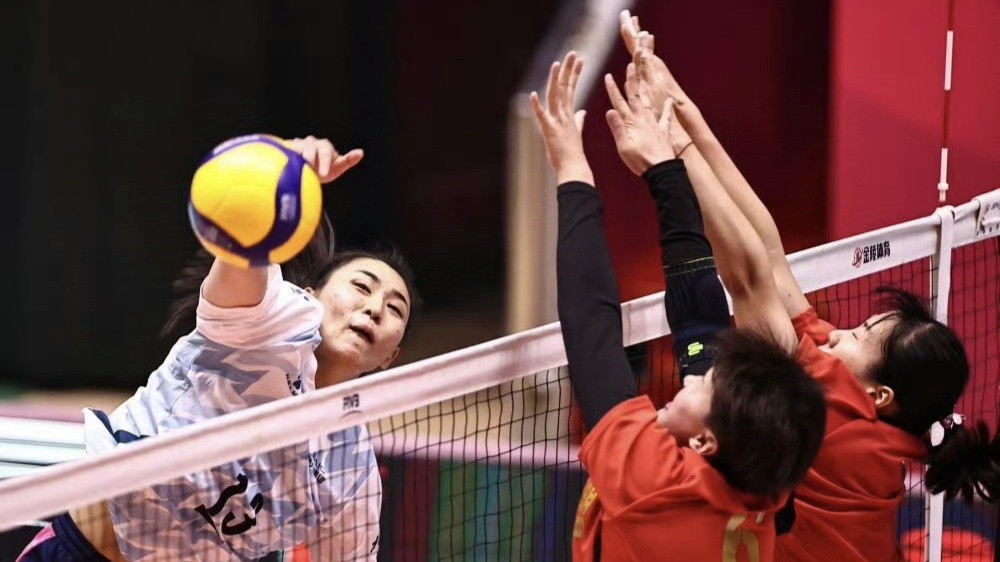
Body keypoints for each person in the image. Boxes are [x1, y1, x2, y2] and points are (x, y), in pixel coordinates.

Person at [617, 12, 1000, 560]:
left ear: (879, 396)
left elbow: (749, 278)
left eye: (859, 336)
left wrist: (668, 162)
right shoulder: (860, 402)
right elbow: (771, 255)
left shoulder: (832, 417)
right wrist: (673, 101)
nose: (839, 331)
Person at [17, 136, 421, 562]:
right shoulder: (271, 322)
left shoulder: (351, 467)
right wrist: (278, 173)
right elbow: (241, 255)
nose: (374, 308)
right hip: (83, 552)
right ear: (309, 295)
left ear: (390, 357)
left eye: (394, 309)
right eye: (361, 287)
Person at [531, 49, 826, 561]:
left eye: (704, 385)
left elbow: (591, 327)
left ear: (707, 443)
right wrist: (665, 172)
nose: (692, 378)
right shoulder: (766, 485)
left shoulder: (655, 482)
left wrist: (571, 167)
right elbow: (700, 323)